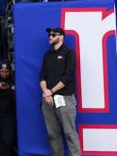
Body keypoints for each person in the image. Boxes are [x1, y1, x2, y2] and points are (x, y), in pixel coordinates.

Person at [39, 27, 80, 156]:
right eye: (49, 35)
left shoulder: (69, 53)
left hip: (65, 98)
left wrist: (51, 91)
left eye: (53, 35)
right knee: (52, 134)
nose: (50, 37)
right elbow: (42, 77)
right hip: (48, 100)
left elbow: (68, 76)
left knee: (69, 132)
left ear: (61, 37)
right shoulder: (47, 55)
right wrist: (46, 92)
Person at [0, 59, 17, 156]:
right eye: (2, 71)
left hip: (8, 116)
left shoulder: (13, 82)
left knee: (7, 139)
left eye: (6, 71)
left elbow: (16, 98)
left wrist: (8, 89)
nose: (4, 74)